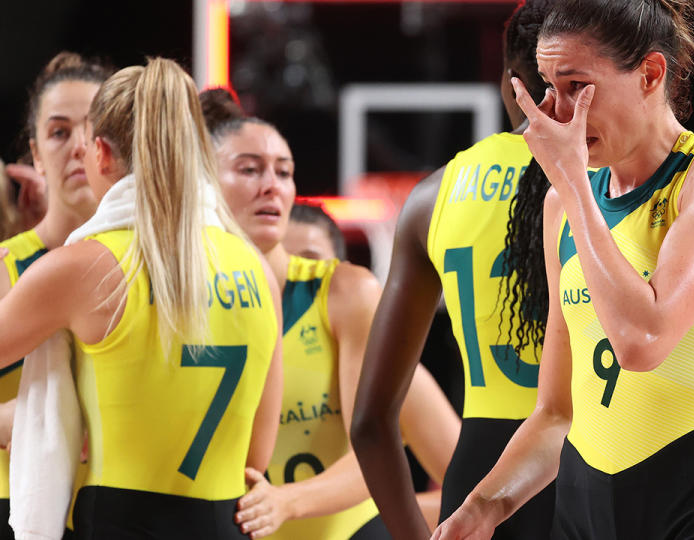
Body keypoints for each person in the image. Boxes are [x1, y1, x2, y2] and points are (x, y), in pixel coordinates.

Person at [434, 0, 694, 538]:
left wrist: (572, 185)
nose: (556, 111)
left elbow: (643, 340)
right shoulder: (564, 206)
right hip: (585, 505)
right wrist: (482, 508)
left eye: (576, 85)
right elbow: (555, 414)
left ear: (650, 74)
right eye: (548, 85)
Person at [0, 58, 283, 538]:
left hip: (121, 522)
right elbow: (258, 454)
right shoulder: (257, 267)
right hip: (224, 523)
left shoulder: (83, 268)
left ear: (103, 155)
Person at [199, 89, 459, 540]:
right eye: (249, 169)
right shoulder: (180, 299)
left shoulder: (346, 292)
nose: (272, 185)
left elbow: (381, 449)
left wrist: (286, 501)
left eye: (284, 172)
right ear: (202, 182)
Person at [350, 2, 557, 538]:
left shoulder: (429, 197)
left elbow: (371, 424)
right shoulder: (611, 182)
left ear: (508, 83)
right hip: (587, 465)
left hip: (477, 473)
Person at [0, 51, 111, 539]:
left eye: (94, 128)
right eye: (59, 132)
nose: (79, 147)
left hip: (123, 507)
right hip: (14, 509)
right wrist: (22, 421)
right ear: (36, 153)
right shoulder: (5, 265)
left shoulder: (155, 266)